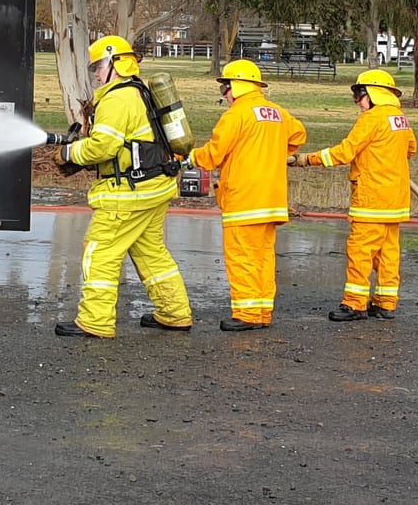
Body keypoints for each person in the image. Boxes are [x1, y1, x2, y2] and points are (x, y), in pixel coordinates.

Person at [54, 35, 194, 338]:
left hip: (128, 196)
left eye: (98, 66)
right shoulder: (139, 91)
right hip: (155, 187)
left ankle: (95, 322)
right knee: (152, 254)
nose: (95, 73)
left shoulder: (117, 99)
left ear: (115, 64)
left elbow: (103, 147)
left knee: (100, 254)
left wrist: (69, 153)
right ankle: (175, 313)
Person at [187, 59, 306, 331]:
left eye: (225, 88)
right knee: (263, 257)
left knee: (242, 257)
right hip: (272, 199)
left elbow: (214, 154)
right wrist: (273, 150)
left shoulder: (237, 114)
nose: (224, 95)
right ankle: (262, 311)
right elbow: (299, 135)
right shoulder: (277, 112)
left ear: (235, 87)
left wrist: (191, 157)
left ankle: (247, 314)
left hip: (244, 198)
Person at [291, 69, 417, 322]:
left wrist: (305, 159)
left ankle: (355, 304)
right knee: (387, 254)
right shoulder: (399, 118)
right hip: (395, 200)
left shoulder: (371, 119)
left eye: (359, 95)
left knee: (360, 252)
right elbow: (411, 149)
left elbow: (344, 152)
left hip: (372, 199)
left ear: (373, 94)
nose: (357, 101)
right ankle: (385, 303)